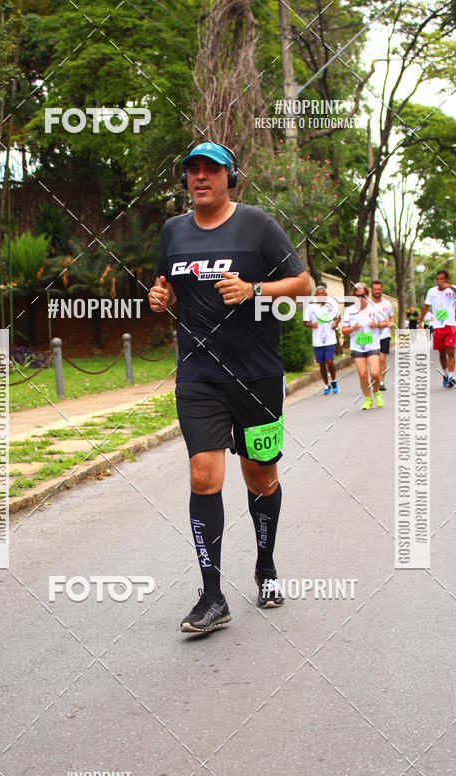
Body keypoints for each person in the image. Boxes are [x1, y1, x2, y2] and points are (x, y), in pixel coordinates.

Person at [148, 141, 310, 633]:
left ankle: (266, 566)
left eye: (211, 170)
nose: (201, 177)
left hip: (257, 377)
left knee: (260, 475)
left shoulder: (257, 224)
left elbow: (302, 283)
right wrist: (161, 297)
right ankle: (212, 595)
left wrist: (254, 289)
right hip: (198, 375)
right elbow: (167, 286)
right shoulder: (173, 231)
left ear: (230, 177)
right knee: (203, 475)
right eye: (193, 170)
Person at [418, 269, 456, 388]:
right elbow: (426, 307)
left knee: (450, 351)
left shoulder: (452, 289)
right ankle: (445, 374)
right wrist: (420, 321)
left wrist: (450, 286)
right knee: (442, 353)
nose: (439, 281)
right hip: (438, 326)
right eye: (438, 279)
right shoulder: (431, 291)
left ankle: (451, 376)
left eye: (442, 279)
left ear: (446, 280)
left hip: (450, 325)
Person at [341, 282, 383, 409]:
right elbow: (343, 330)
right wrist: (352, 328)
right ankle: (368, 399)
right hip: (357, 346)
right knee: (363, 375)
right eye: (357, 296)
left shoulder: (374, 308)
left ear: (367, 295)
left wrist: (377, 325)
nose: (360, 298)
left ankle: (377, 392)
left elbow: (387, 322)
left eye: (363, 295)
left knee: (375, 373)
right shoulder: (349, 311)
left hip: (373, 345)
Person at [303, 282, 341, 394]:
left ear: (326, 294)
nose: (320, 295)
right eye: (318, 294)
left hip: (330, 339)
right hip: (318, 340)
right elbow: (305, 322)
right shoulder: (311, 307)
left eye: (322, 293)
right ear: (315, 296)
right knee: (322, 363)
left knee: (329, 361)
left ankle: (334, 381)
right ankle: (326, 385)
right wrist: (312, 325)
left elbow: (338, 317)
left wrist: (335, 323)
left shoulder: (331, 305)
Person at [369, 279, 394, 391]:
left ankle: (381, 381)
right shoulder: (367, 304)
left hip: (384, 334)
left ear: (382, 289)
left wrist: (391, 322)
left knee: (382, 358)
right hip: (371, 336)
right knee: (375, 359)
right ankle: (376, 378)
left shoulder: (387, 304)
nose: (377, 291)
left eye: (379, 289)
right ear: (371, 290)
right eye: (375, 289)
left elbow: (391, 317)